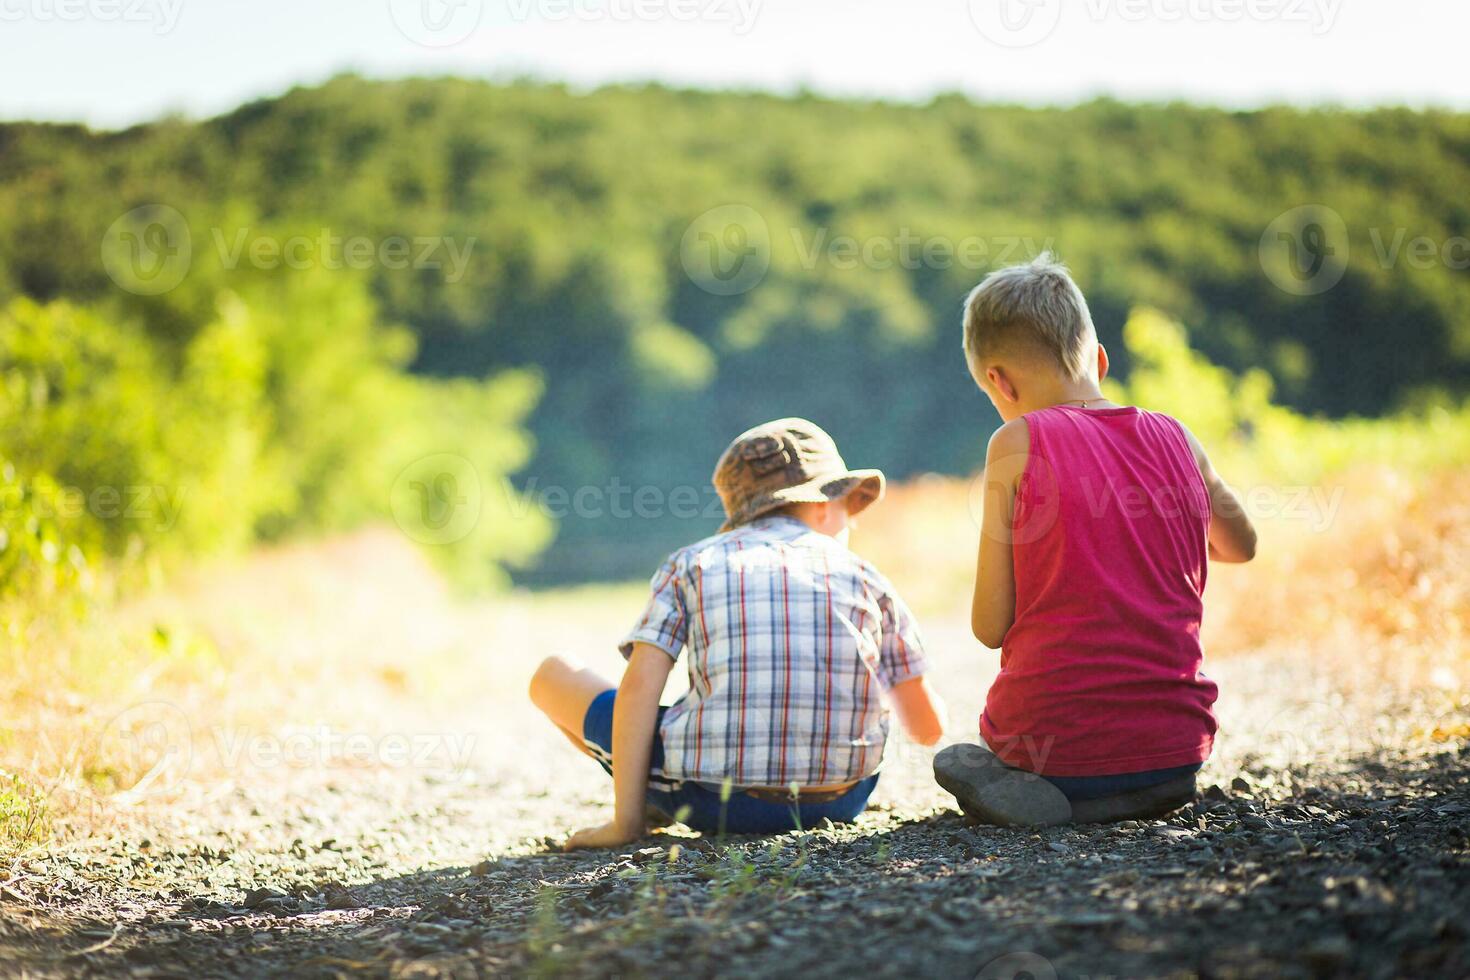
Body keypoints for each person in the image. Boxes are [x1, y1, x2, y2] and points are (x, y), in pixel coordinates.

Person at [934, 253, 1257, 826]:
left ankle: (1053, 791)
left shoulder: (1015, 443)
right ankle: (1137, 788)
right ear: (1100, 361)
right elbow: (1240, 545)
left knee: (960, 758)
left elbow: (989, 627)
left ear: (998, 381)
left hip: (1054, 755)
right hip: (1177, 753)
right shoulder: (1177, 436)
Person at [530, 418, 946, 849]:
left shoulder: (693, 563)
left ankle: (642, 802)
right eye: (849, 509)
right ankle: (658, 794)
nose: (851, 526)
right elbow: (926, 729)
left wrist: (624, 826)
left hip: (715, 801)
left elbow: (639, 689)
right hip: (840, 798)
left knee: (552, 675)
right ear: (824, 504)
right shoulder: (867, 576)